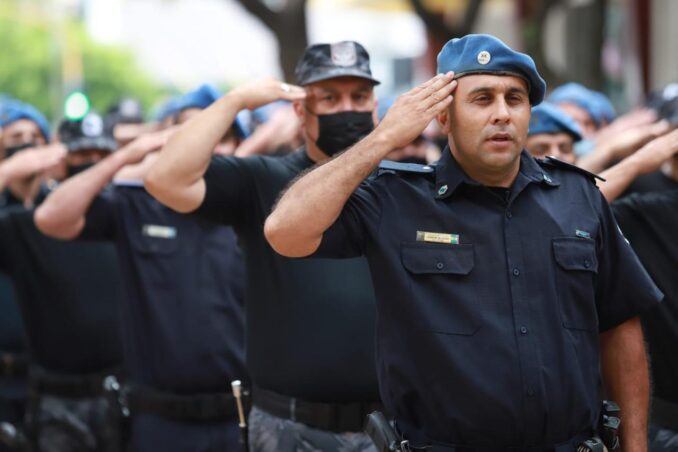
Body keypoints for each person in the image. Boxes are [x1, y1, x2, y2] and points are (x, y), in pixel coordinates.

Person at [265, 34, 662, 451]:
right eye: (482, 99)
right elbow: (284, 232)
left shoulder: (577, 197)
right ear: (444, 117)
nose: (502, 114)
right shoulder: (395, 198)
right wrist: (382, 138)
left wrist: (636, 446)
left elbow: (620, 325)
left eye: (515, 98)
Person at [145, 41, 382, 451]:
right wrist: (235, 102)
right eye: (329, 97)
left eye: (359, 96)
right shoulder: (263, 179)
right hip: (290, 427)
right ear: (300, 111)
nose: (347, 108)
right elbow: (165, 179)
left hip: (389, 426)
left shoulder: (396, 184)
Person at [35, 99, 249, 451]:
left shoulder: (254, 208)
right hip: (160, 422)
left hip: (241, 417)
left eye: (221, 136)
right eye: (194, 134)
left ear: (239, 146)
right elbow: (52, 217)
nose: (207, 145)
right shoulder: (135, 204)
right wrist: (127, 155)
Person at [0, 113, 125, 452]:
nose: (91, 166)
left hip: (125, 392)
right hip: (56, 398)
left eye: (101, 158)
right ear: (58, 163)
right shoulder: (25, 225)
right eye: (81, 157)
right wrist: (10, 171)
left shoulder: (126, 214)